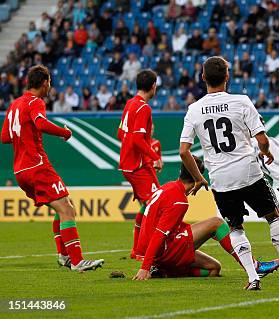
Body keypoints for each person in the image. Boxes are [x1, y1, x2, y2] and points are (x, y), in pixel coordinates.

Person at [179, 56, 279, 290]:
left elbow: (184, 151)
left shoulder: (194, 110)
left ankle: (252, 279)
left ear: (203, 77)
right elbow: (261, 139)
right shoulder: (242, 101)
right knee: (274, 216)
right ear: (227, 77)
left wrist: (199, 177)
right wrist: (266, 151)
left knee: (236, 227)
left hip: (220, 178)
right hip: (248, 171)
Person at [1, 65, 104, 271]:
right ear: (45, 82)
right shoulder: (35, 102)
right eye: (50, 82)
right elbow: (40, 123)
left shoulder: (15, 104)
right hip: (36, 165)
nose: (51, 86)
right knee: (67, 209)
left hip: (20, 170)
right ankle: (76, 261)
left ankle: (64, 255)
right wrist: (64, 133)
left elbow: (4, 137)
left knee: (63, 206)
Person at [132, 157, 279, 280]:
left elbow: (141, 213)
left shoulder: (166, 187)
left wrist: (137, 251)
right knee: (216, 223)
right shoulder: (179, 200)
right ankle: (254, 266)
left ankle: (164, 272)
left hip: (157, 252)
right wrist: (144, 267)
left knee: (214, 269)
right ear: (198, 175)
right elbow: (159, 234)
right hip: (163, 251)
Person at [117, 70, 163, 259]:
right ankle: (147, 252)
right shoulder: (144, 108)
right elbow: (136, 140)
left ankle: (137, 250)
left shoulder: (130, 104)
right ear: (153, 86)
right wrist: (154, 157)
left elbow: (121, 134)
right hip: (138, 166)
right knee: (158, 206)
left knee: (148, 206)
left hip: (127, 164)